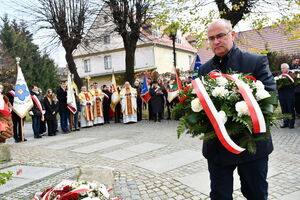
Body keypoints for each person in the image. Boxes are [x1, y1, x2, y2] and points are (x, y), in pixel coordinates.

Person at [198, 19, 276, 200]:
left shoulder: (255, 61)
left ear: (232, 35)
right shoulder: (204, 69)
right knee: (219, 195)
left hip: (252, 145)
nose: (216, 41)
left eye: (220, 36)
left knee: (255, 194)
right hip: (217, 148)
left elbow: (270, 98)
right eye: (211, 38)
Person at [278, 63, 295, 129]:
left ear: (287, 68)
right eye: (281, 68)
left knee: (290, 109)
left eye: (283, 68)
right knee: (284, 110)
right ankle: (286, 122)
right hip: (282, 95)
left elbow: (294, 84)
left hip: (290, 95)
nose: (282, 69)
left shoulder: (292, 74)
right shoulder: (279, 74)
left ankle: (291, 123)